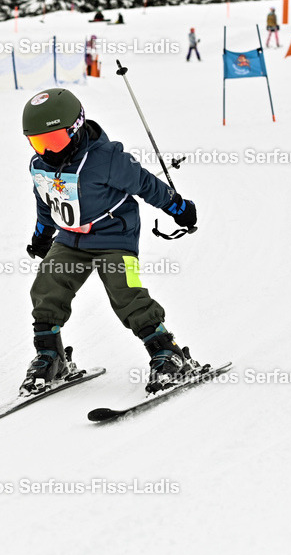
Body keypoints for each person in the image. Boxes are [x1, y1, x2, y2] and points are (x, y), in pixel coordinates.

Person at [21, 88, 199, 395]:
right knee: (47, 285)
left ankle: (167, 352)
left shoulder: (107, 159)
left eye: (55, 141)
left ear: (76, 128)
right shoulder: (40, 166)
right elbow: (46, 204)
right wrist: (42, 236)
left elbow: (146, 184)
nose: (48, 151)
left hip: (114, 235)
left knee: (124, 290)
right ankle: (51, 356)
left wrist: (178, 207)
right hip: (71, 238)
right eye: (39, 143)